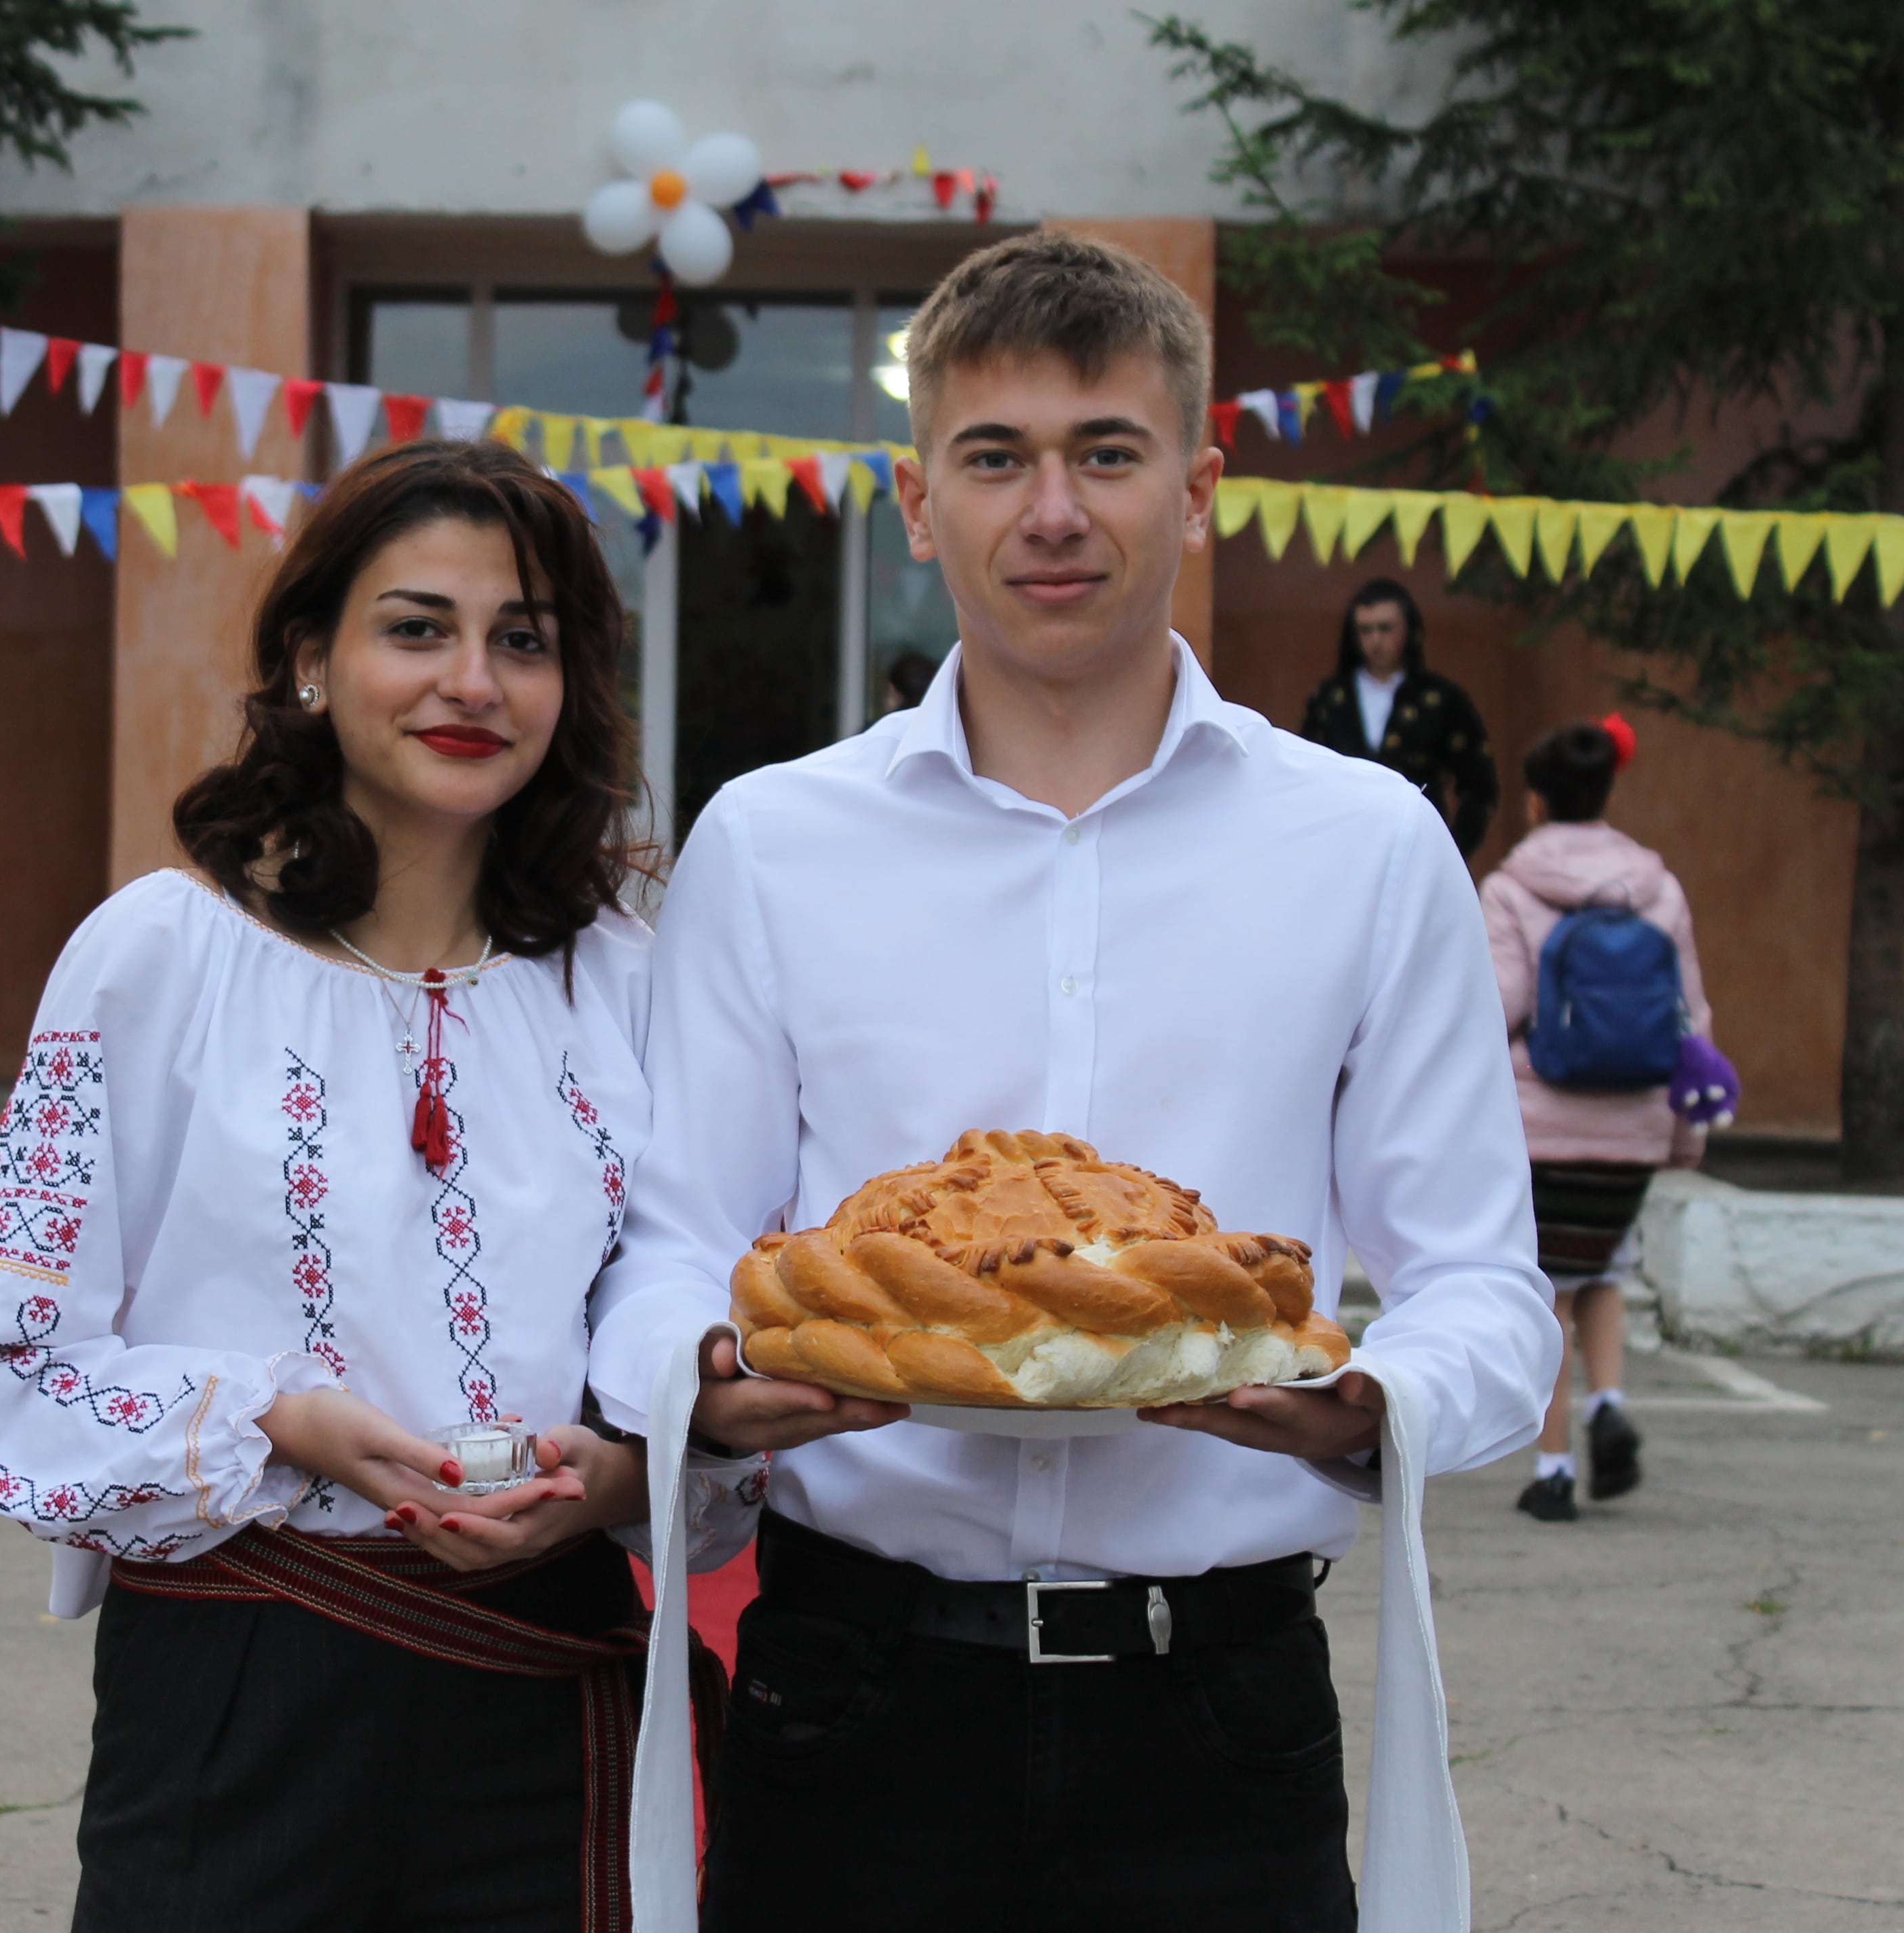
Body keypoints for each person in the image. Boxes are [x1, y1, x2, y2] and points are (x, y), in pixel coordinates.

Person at [588, 230, 1556, 1931]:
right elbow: (677, 1243)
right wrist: (707, 1379)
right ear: (917, 500)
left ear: (1200, 487)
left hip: (1217, 1705)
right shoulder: (775, 840)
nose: (1052, 510)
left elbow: (1481, 1280)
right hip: (852, 1692)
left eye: (1107, 452)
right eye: (995, 457)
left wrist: (1373, 1403)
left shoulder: (1364, 842)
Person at [0, 439, 762, 1933]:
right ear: (310, 656)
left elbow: (689, 1316)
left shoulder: (628, 983)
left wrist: (624, 1478)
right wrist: (279, 1420)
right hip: (246, 1675)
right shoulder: (160, 955)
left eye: (523, 640)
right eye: (417, 627)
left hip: (547, 1684)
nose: (472, 681)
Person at [1480, 715, 1715, 1523]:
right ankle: (1609, 1404)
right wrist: (1685, 1131)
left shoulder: (1511, 889)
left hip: (1543, 1126)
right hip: (1636, 1124)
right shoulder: (1659, 888)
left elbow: (1500, 1005)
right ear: (1608, 793)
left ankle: (1553, 1470)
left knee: (1549, 1291)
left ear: (1536, 802)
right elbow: (1690, 1018)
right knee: (1604, 1268)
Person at [1299, 578, 1501, 859]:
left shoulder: (1440, 699)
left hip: (1417, 846)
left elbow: (1479, 785)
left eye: (1386, 628)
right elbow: (1308, 775)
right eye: (1365, 630)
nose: (1376, 640)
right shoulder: (1330, 699)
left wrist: (1452, 853)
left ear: (1409, 630)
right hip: (1345, 846)